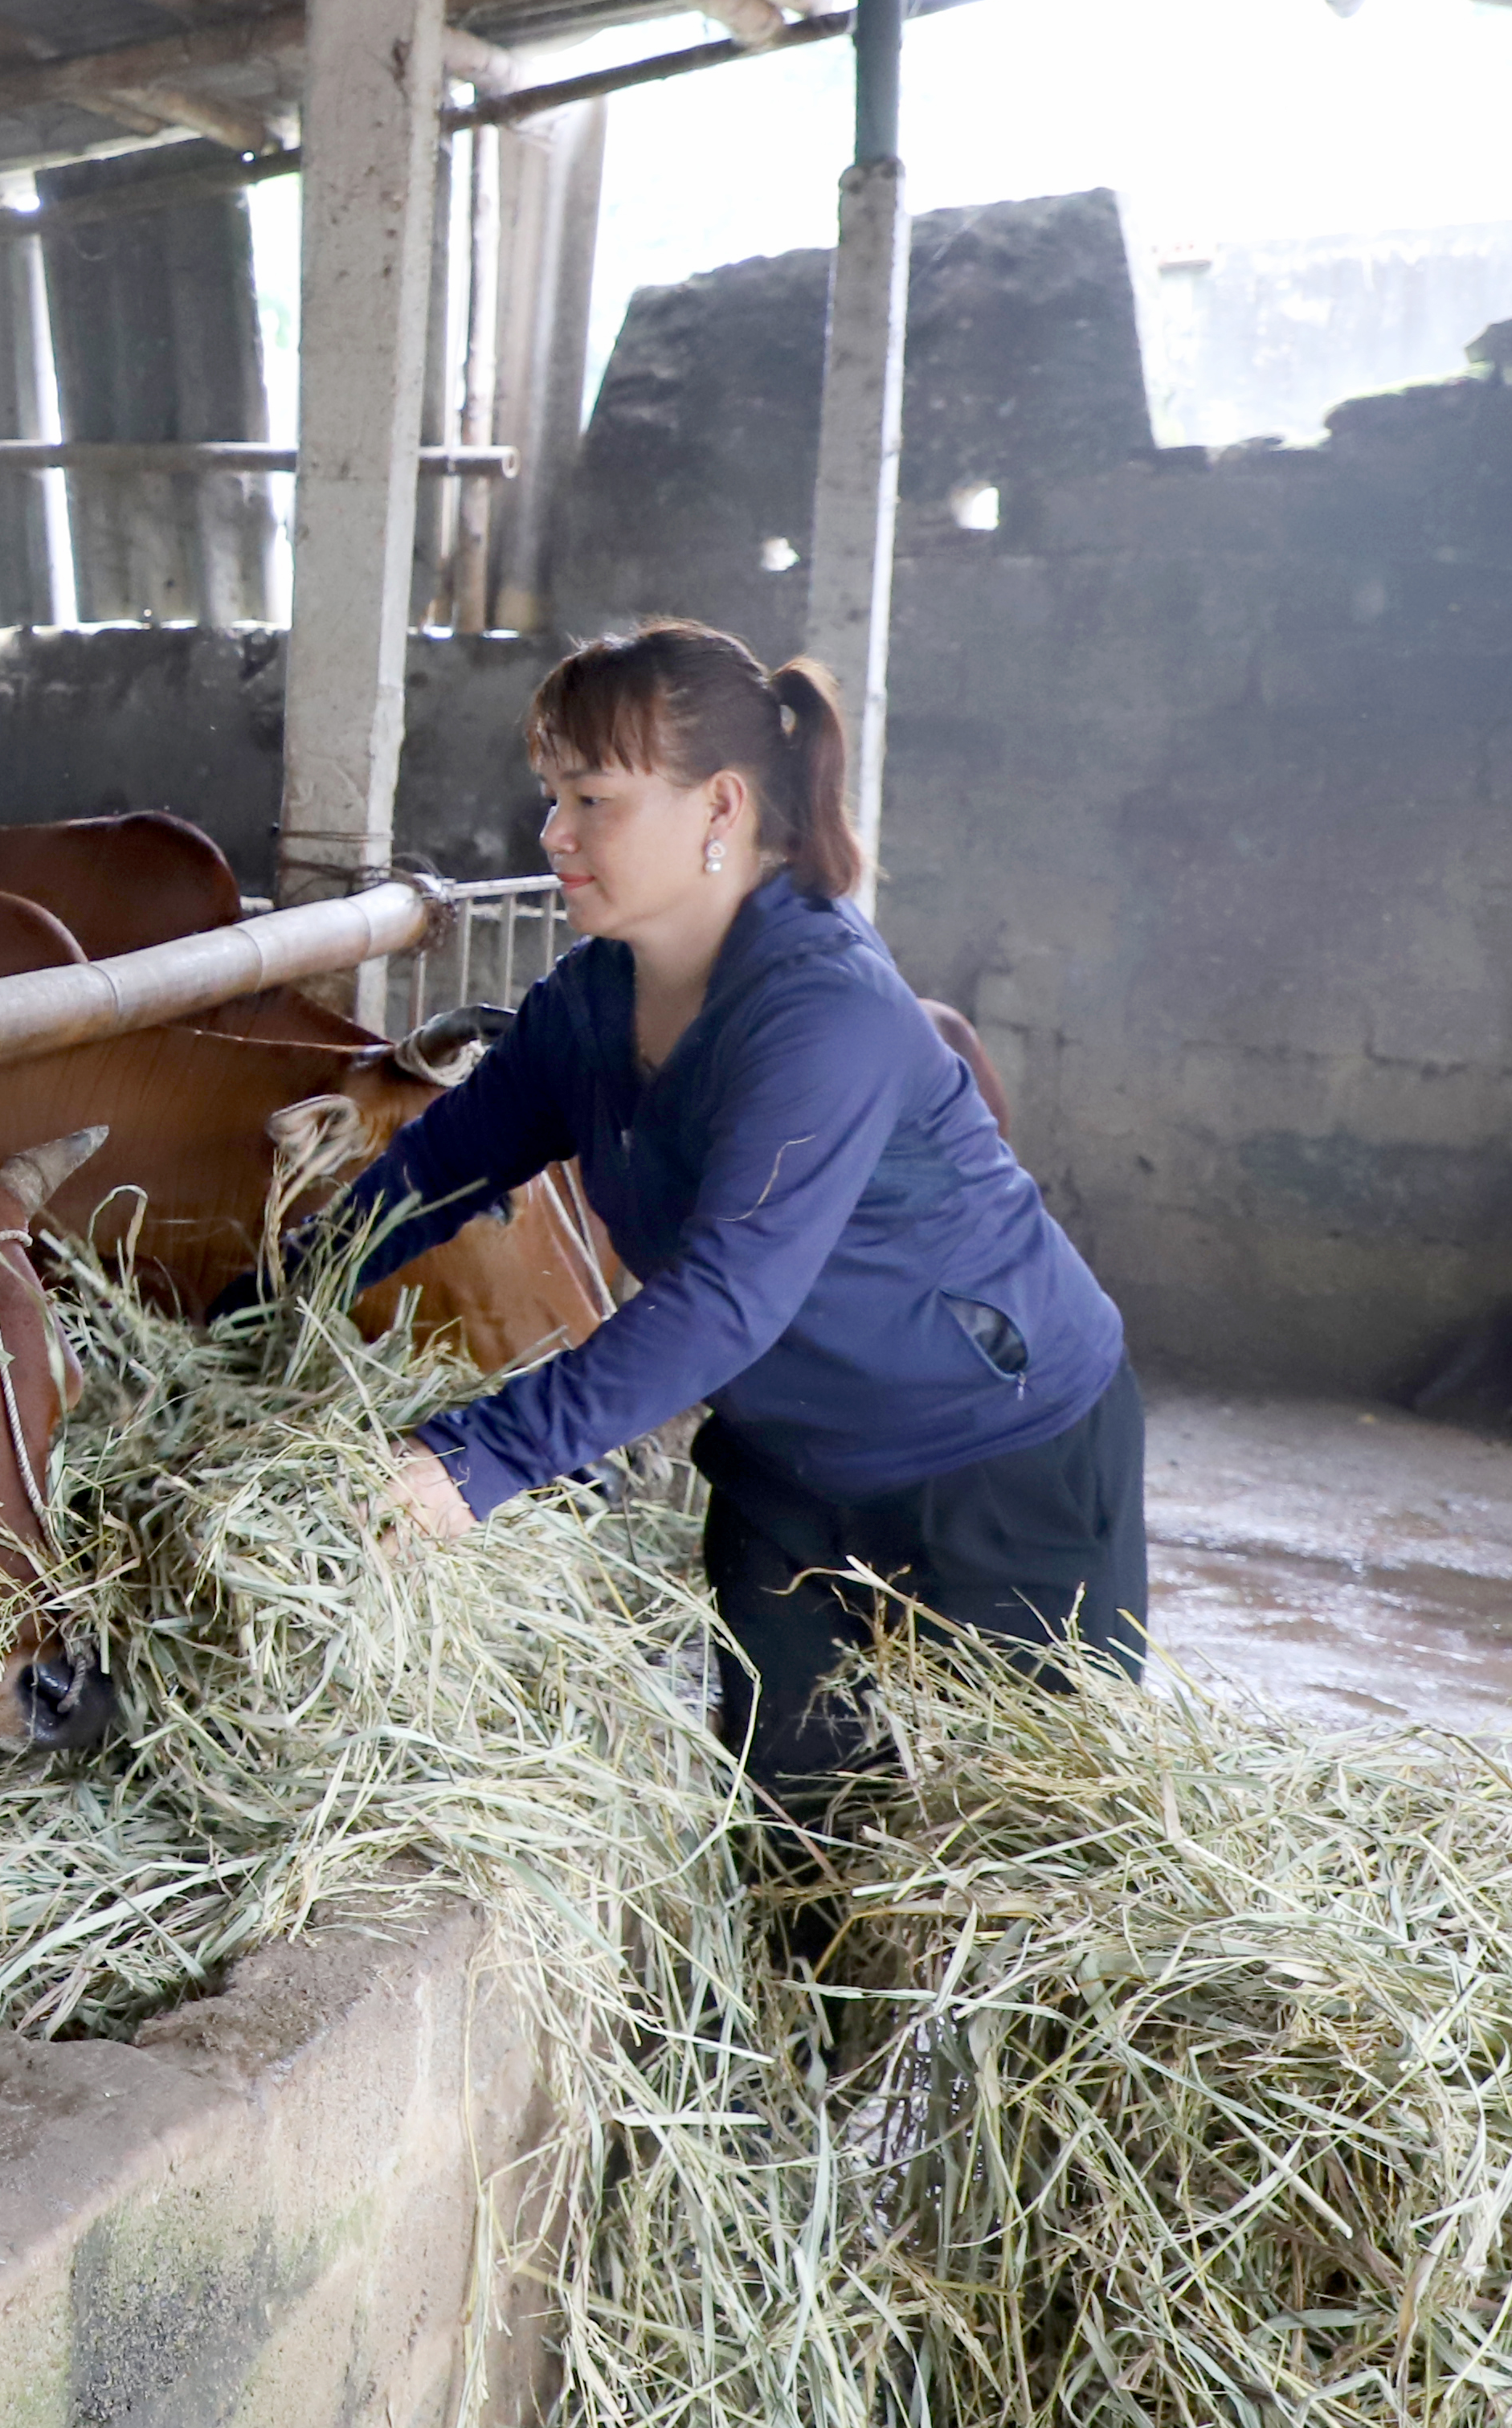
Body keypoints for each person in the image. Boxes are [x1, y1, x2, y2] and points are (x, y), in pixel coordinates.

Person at [299, 619, 1144, 1803]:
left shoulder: (820, 1013)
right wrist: (274, 1301)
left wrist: (474, 1460)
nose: (553, 833)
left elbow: (724, 1298)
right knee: (790, 1827)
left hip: (1000, 1457)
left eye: (594, 798)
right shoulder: (594, 999)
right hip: (791, 1468)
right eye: (552, 796)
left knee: (1013, 1855)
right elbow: (444, 1163)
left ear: (721, 808)